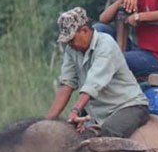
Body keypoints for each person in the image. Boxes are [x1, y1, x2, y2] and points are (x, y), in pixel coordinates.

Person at [45, 7, 150, 138]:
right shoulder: (71, 50)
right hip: (98, 111)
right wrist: (46, 123)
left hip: (128, 106)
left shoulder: (106, 45)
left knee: (108, 133)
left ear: (84, 31)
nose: (70, 45)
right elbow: (67, 84)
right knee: (69, 138)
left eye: (71, 40)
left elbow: (93, 84)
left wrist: (75, 110)